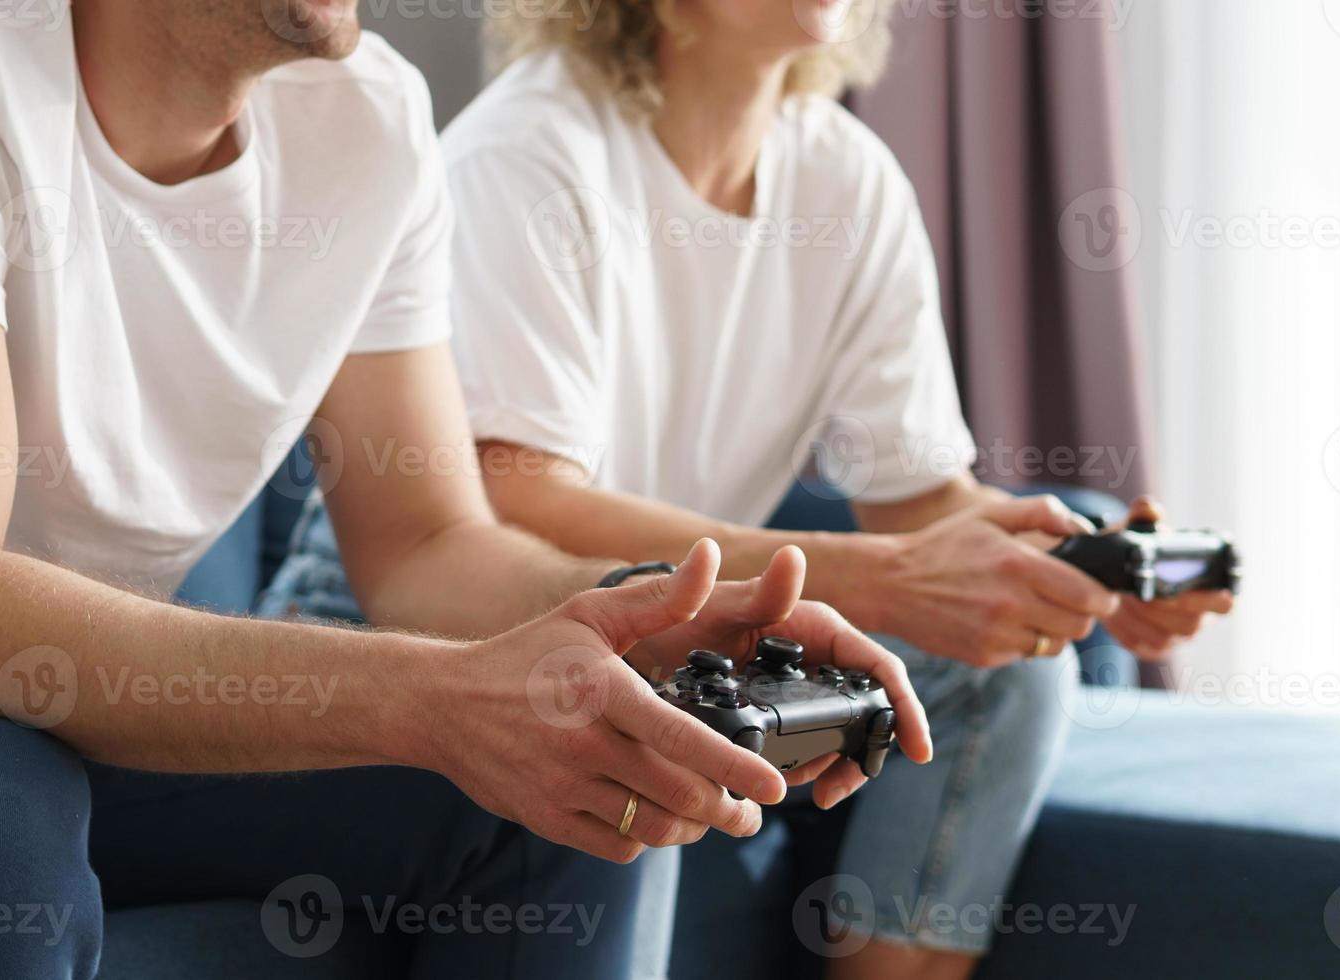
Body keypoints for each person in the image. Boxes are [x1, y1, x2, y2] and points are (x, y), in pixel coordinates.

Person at [0, 1, 932, 976]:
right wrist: (429, 700)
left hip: (96, 714)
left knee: (593, 763)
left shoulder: (369, 119)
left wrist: (656, 621)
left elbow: (428, 543)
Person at [264, 0, 1235, 975]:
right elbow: (516, 501)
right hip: (432, 618)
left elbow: (923, 507)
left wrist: (1076, 569)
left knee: (1010, 667)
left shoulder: (846, 180)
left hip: (668, 612)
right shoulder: (530, 155)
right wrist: (890, 574)